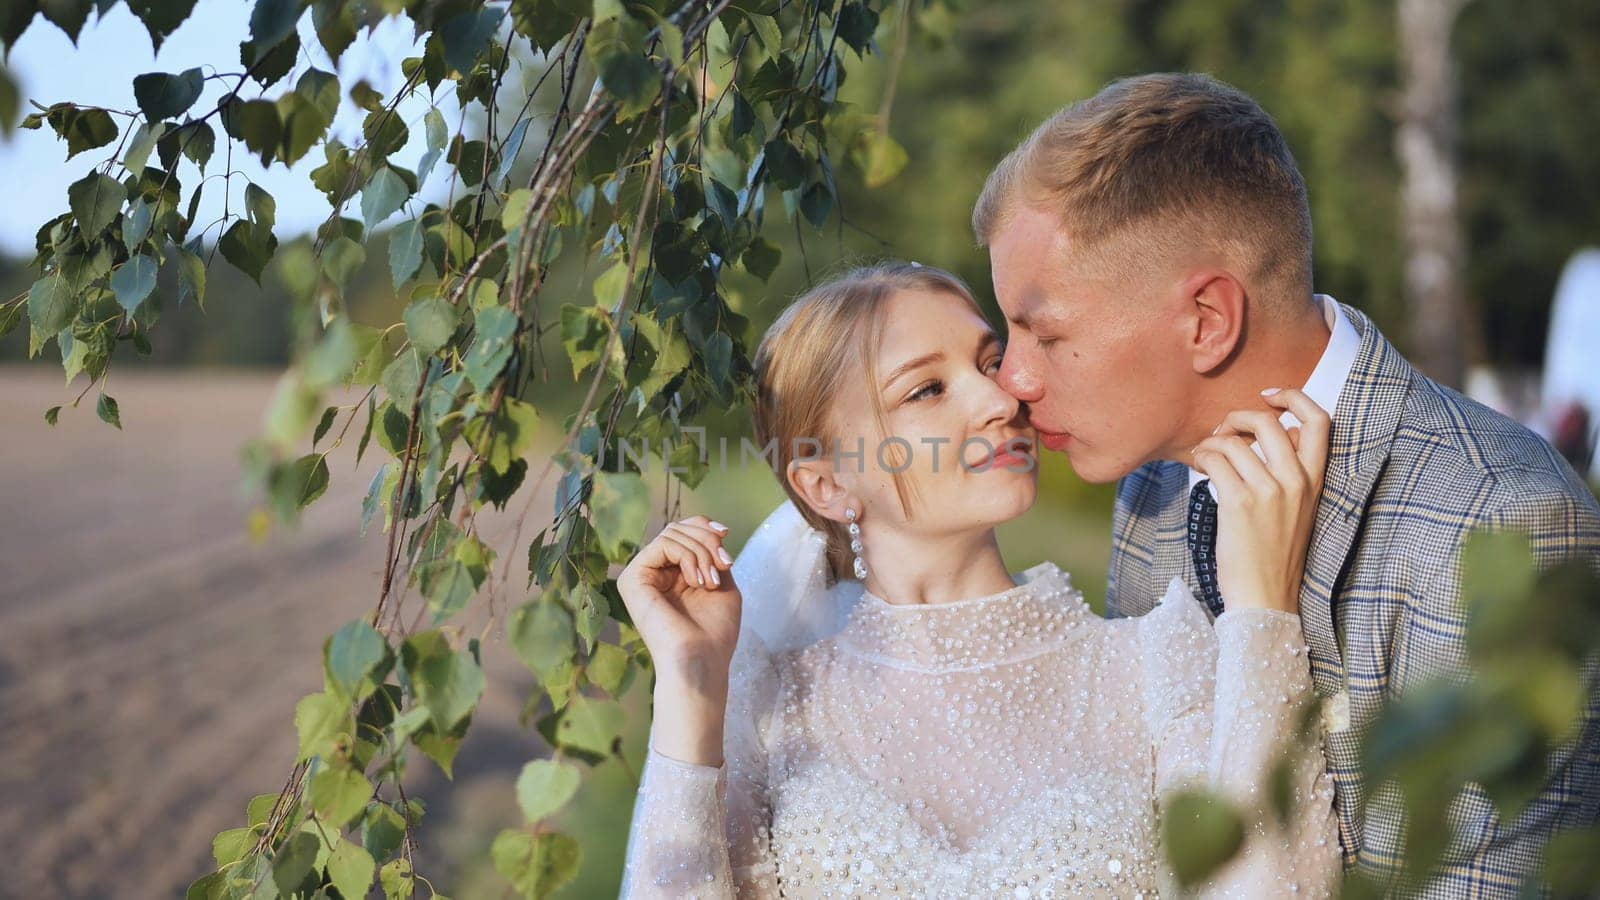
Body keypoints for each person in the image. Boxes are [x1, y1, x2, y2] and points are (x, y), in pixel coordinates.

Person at [973, 73, 1600, 895]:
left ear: (1207, 322)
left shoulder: (1508, 523)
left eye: (1044, 332)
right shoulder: (1153, 490)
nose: (1011, 378)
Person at [617, 262, 1342, 898]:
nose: (1000, 402)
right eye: (927, 389)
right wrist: (691, 686)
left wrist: (1262, 619)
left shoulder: (1157, 666)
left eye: (988, 363)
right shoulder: (774, 706)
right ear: (827, 484)